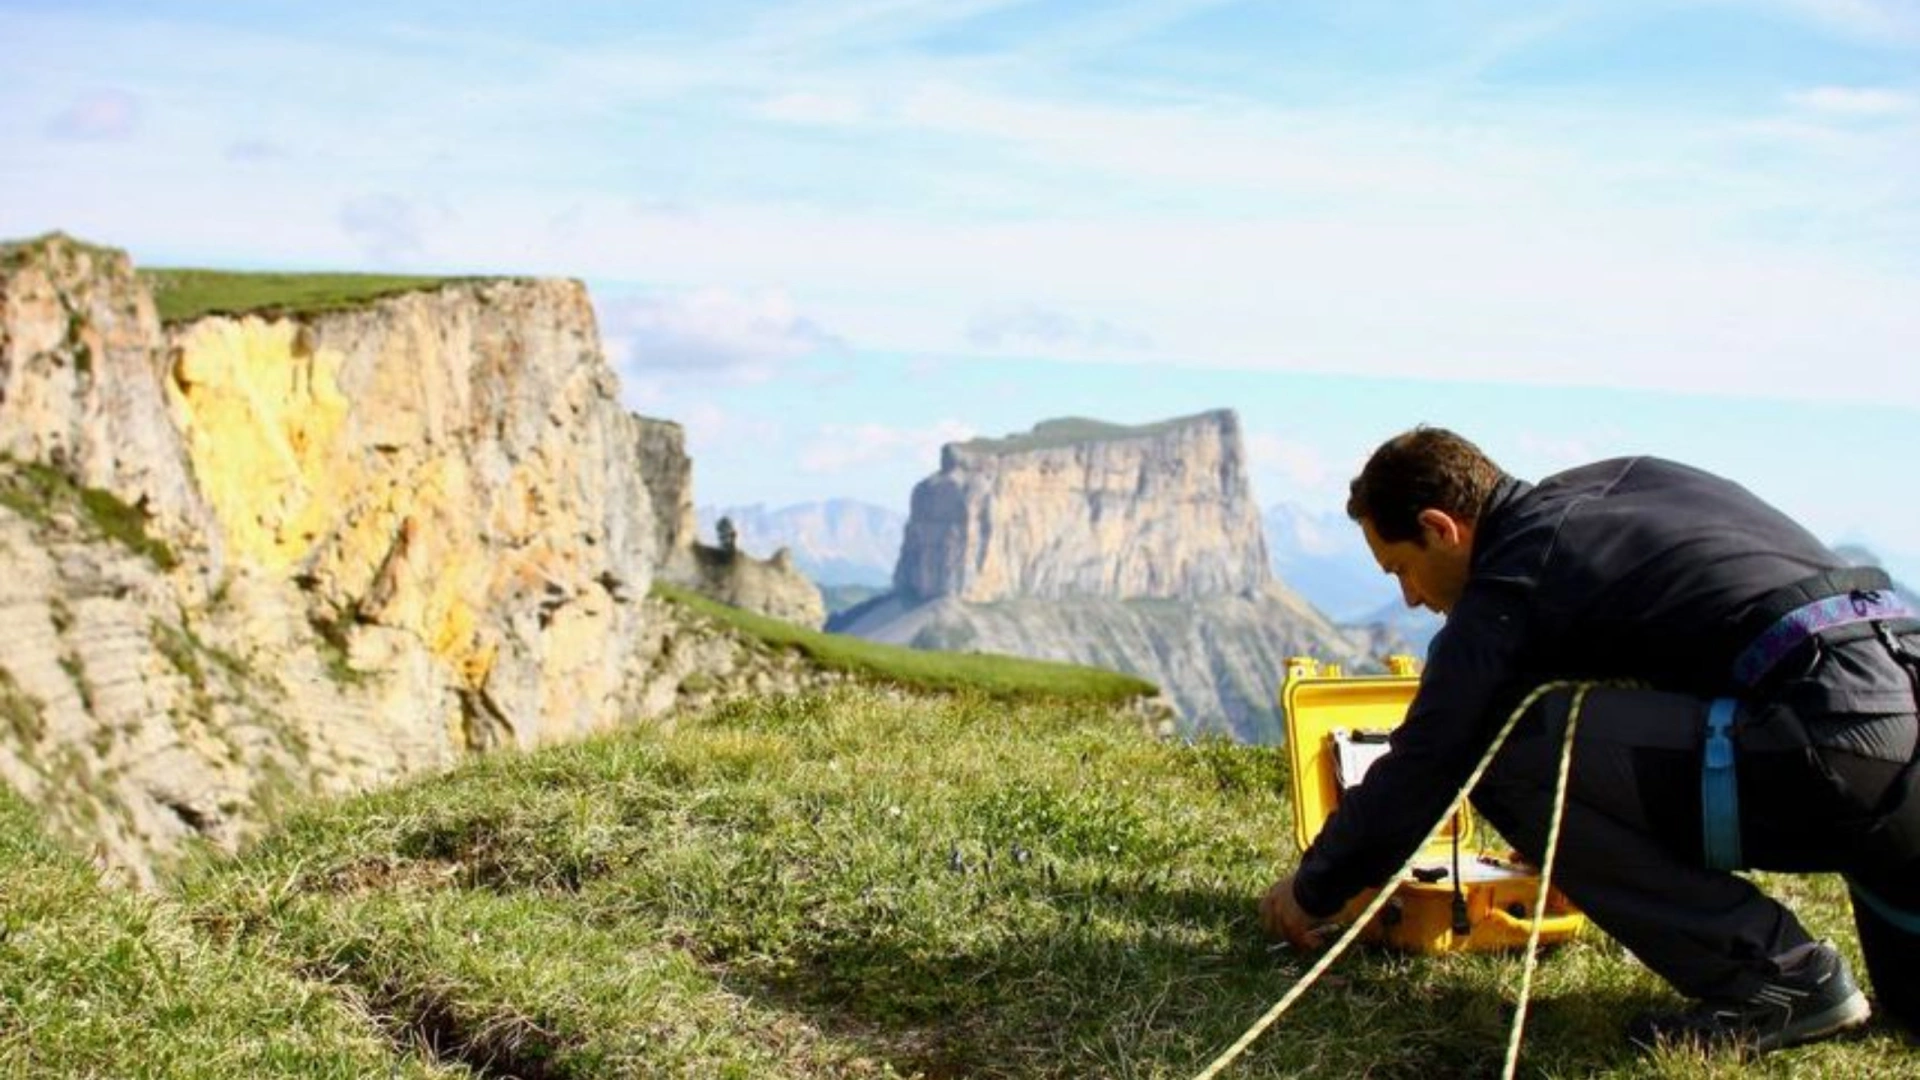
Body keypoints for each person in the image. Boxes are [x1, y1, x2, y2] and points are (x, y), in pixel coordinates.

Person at [1259, 426, 1919, 1055]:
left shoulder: (1512, 579)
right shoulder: (1626, 482)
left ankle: (1777, 975)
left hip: (1832, 746)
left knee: (1506, 747)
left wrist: (1313, 888)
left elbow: (1431, 760)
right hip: (1896, 718)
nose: (1408, 599)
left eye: (1400, 568)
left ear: (1441, 528)